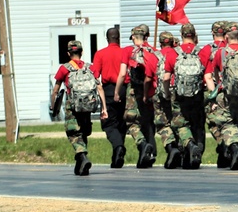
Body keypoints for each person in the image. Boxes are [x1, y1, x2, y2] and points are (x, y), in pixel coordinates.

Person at [50, 40, 107, 176]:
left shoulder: (64, 68)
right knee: (83, 132)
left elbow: (55, 91)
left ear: (69, 53)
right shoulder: (90, 67)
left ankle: (82, 156)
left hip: (72, 106)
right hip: (87, 106)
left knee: (74, 134)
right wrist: (104, 108)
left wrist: (54, 107)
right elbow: (99, 87)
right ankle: (81, 167)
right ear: (81, 52)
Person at [205, 25, 238, 170]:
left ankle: (234, 147)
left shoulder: (221, 53)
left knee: (226, 123)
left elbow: (214, 74)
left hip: (226, 95)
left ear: (226, 37)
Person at [114, 25, 158, 168]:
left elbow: (122, 74)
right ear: (147, 36)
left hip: (133, 91)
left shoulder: (127, 51)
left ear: (133, 37)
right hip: (150, 92)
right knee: (147, 123)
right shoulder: (154, 51)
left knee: (132, 122)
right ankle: (149, 155)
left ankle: (142, 144)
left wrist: (116, 91)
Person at [167, 22, 207, 168]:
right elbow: (207, 75)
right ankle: (197, 154)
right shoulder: (202, 52)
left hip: (179, 95)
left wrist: (166, 93)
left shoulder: (174, 52)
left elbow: (166, 77)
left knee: (180, 123)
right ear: (194, 35)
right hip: (197, 95)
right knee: (197, 124)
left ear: (182, 35)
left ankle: (189, 145)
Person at [91, 26, 127, 168]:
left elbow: (95, 76)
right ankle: (117, 156)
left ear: (107, 39)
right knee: (121, 124)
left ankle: (118, 147)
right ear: (118, 38)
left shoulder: (100, 54)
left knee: (109, 124)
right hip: (123, 89)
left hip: (108, 91)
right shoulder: (125, 53)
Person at [200, 20, 230, 167]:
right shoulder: (231, 48)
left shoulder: (206, 50)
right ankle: (231, 145)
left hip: (214, 90)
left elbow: (207, 76)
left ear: (213, 33)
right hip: (231, 91)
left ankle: (223, 145)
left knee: (213, 123)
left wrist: (213, 96)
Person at [152, 31, 183, 168]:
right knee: (178, 122)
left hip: (160, 93)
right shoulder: (179, 54)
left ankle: (171, 147)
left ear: (160, 42)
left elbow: (149, 77)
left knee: (163, 123)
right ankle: (182, 151)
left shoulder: (155, 56)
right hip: (177, 92)